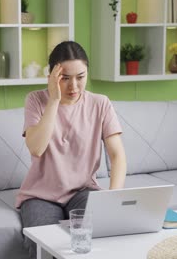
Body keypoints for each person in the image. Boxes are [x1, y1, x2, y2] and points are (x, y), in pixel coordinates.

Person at [16, 41, 127, 259]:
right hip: (40, 196)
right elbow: (36, 148)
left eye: (80, 77)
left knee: (101, 237)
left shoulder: (100, 104)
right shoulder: (36, 100)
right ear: (52, 76)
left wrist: (113, 197)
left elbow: (117, 155)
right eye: (65, 78)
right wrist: (54, 101)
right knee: (43, 247)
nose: (73, 86)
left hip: (83, 191)